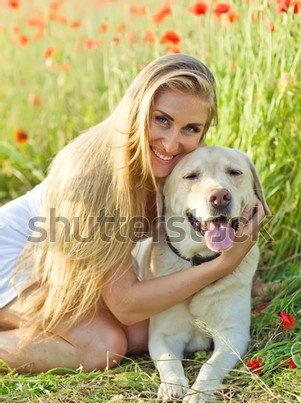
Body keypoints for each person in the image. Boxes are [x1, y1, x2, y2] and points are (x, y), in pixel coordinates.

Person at [0, 54, 267, 373]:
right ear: (136, 110)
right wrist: (226, 263)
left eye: (190, 128)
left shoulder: (182, 170)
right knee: (103, 347)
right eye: (162, 120)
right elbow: (125, 304)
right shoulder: (91, 175)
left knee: (143, 332)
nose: (171, 143)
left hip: (71, 263)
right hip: (20, 255)